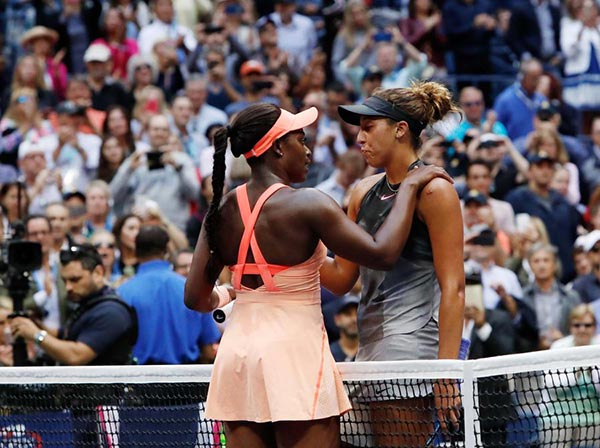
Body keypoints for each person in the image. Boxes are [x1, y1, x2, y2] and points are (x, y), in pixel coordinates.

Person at [184, 102, 452, 447]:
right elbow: (383, 253)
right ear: (278, 147)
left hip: (237, 358)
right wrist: (411, 187)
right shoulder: (308, 203)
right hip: (295, 357)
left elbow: (195, 298)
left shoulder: (220, 210)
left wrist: (232, 293)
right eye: (300, 140)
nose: (308, 150)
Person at [321, 83, 464, 447]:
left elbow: (454, 288)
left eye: (369, 127)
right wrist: (289, 251)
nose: (359, 138)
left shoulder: (436, 191)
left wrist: (445, 374)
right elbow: (340, 279)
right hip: (369, 346)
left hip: (411, 345)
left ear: (400, 129)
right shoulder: (361, 192)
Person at [118, 226, 219, 364]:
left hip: (138, 379)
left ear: (136, 252)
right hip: (187, 377)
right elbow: (208, 349)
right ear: (166, 251)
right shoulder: (193, 290)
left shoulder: (123, 292)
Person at [329, 294, 359, 362]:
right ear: (337, 319)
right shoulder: (329, 353)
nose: (354, 319)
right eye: (348, 314)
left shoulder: (369, 353)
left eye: (357, 314)